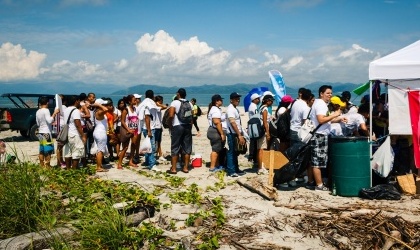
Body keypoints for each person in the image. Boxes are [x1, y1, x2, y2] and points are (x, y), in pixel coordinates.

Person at [307, 85, 344, 191]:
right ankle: (319, 185)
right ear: (321, 94)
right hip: (319, 135)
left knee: (316, 160)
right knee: (317, 162)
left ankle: (313, 182)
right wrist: (335, 114)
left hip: (320, 134)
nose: (330, 95)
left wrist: (338, 119)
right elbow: (321, 120)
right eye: (328, 93)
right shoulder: (321, 104)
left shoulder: (320, 104)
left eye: (331, 93)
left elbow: (325, 120)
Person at [166, 88, 193, 174]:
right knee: (187, 147)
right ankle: (185, 168)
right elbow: (191, 117)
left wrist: (170, 125)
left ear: (178, 94)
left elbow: (171, 115)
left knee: (175, 147)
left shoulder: (175, 102)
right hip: (187, 126)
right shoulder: (189, 103)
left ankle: (174, 169)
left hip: (177, 126)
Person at [138, 90, 161, 172]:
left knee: (149, 145)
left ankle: (147, 161)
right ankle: (152, 165)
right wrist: (149, 130)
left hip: (146, 127)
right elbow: (147, 117)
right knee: (152, 147)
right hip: (149, 128)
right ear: (153, 96)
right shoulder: (149, 104)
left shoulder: (144, 103)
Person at [63, 95, 87, 169]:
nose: (79, 102)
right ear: (76, 101)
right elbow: (77, 124)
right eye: (79, 100)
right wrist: (82, 135)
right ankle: (74, 170)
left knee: (68, 152)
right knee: (76, 153)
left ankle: (68, 169)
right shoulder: (75, 110)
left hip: (67, 134)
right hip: (75, 134)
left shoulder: (66, 109)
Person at [226, 92, 246, 177]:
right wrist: (239, 135)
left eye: (238, 98)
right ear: (231, 100)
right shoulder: (230, 109)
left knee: (235, 152)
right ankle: (231, 171)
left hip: (235, 133)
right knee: (231, 152)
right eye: (235, 98)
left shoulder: (235, 109)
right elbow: (233, 123)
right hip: (232, 133)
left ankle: (236, 169)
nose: (238, 100)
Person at [36, 96, 59, 168]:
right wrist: (54, 113)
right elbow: (49, 120)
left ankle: (42, 165)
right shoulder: (46, 110)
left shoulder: (38, 111)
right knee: (48, 150)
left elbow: (38, 123)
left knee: (41, 150)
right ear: (47, 102)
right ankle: (48, 166)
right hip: (46, 132)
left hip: (40, 132)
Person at [116, 94, 139, 169]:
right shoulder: (126, 110)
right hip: (127, 130)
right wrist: (128, 129)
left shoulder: (135, 109)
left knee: (134, 145)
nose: (135, 100)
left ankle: (131, 161)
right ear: (129, 101)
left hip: (135, 129)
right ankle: (119, 163)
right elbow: (122, 121)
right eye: (134, 99)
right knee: (125, 147)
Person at [206, 94, 226, 172]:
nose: (222, 101)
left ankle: (216, 165)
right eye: (221, 100)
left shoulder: (215, 109)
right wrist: (221, 133)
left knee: (217, 149)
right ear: (217, 101)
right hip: (215, 131)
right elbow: (217, 122)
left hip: (213, 130)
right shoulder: (215, 110)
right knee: (216, 149)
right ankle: (212, 167)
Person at [257, 94, 275, 175]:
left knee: (261, 148)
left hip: (261, 130)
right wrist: (267, 132)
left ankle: (262, 166)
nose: (272, 103)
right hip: (263, 131)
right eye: (271, 101)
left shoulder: (261, 107)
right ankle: (260, 167)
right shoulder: (265, 108)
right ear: (267, 101)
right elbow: (265, 122)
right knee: (261, 149)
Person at [91, 98, 110, 172]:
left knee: (99, 149)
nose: (104, 105)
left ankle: (99, 164)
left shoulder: (96, 111)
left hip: (98, 131)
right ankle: (98, 167)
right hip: (100, 132)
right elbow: (106, 110)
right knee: (100, 150)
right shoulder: (99, 112)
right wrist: (98, 105)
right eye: (103, 104)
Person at [247, 93, 260, 165]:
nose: (259, 100)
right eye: (257, 99)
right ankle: (252, 156)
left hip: (253, 124)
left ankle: (253, 156)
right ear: (254, 99)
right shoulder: (253, 106)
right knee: (253, 142)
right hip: (254, 125)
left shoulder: (253, 106)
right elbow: (256, 115)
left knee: (253, 141)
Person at [154, 95, 167, 161]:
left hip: (159, 126)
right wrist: (158, 104)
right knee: (154, 142)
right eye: (161, 101)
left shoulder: (158, 107)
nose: (162, 102)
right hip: (155, 127)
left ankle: (160, 154)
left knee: (159, 141)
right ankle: (155, 155)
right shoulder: (156, 107)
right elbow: (165, 107)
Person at [133, 93, 142, 164]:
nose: (139, 100)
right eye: (138, 98)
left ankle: (137, 154)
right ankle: (134, 155)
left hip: (139, 126)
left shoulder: (140, 106)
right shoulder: (133, 107)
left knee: (138, 141)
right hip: (134, 127)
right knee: (134, 141)